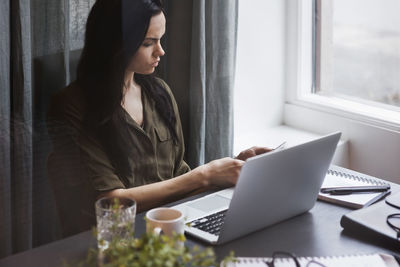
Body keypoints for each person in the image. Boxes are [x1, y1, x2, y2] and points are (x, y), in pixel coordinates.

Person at [47, 0, 270, 236]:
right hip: (121, 241)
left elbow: (180, 183)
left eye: (160, 39)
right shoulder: (72, 106)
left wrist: (234, 168)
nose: (160, 51)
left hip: (172, 226)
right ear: (115, 44)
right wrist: (204, 175)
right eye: (148, 43)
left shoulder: (159, 93)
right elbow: (112, 202)